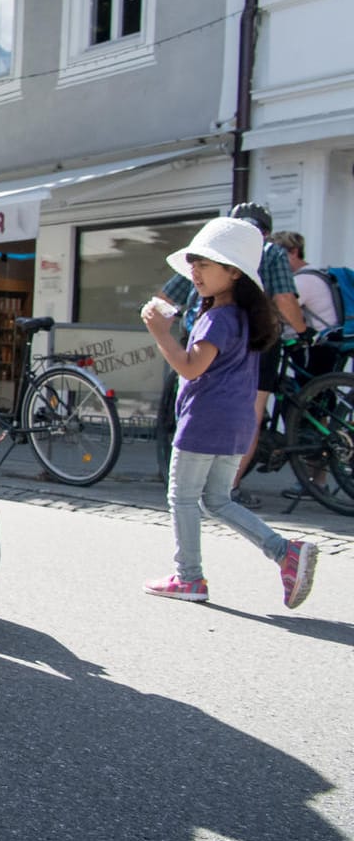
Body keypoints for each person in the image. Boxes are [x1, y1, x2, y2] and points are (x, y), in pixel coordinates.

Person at [139, 216, 317, 609]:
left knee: (182, 498)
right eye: (194, 263)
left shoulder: (218, 317)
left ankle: (188, 578)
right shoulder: (245, 316)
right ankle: (283, 552)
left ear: (233, 272)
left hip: (204, 420)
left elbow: (190, 367)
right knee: (217, 500)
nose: (195, 272)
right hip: (235, 423)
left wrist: (159, 333)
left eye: (205, 264)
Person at [154, 202, 305, 506]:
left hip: (200, 330)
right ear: (267, 230)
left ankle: (205, 484)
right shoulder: (272, 252)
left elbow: (164, 298)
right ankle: (228, 487)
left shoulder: (208, 253)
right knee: (252, 408)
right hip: (255, 336)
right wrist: (303, 332)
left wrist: (161, 322)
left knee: (194, 393)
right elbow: (285, 300)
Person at [272, 231, 344, 379]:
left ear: (294, 252)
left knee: (310, 393)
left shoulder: (303, 280)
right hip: (327, 341)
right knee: (317, 392)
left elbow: (283, 307)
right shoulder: (316, 273)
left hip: (315, 344)